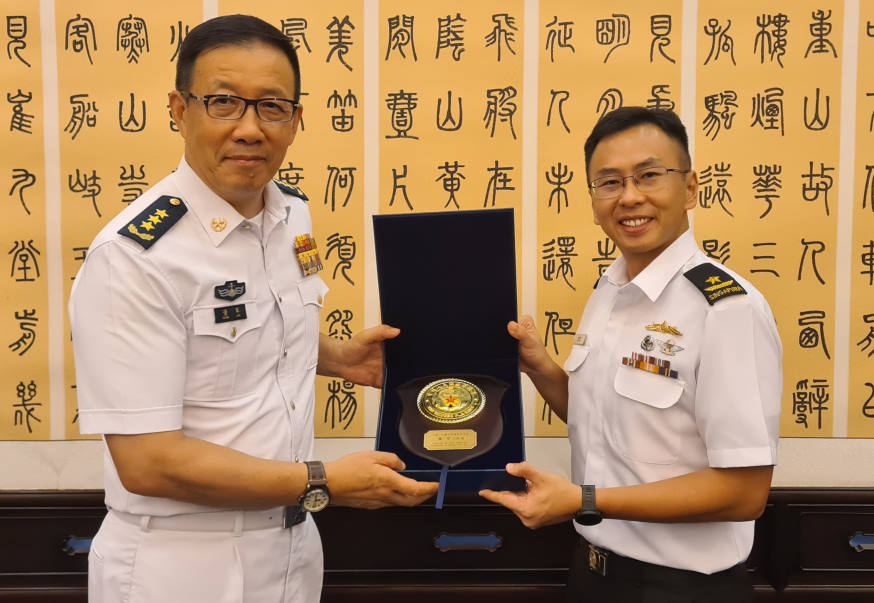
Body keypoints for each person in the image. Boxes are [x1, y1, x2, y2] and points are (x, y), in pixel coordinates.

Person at [69, 14, 437, 603]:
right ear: (177, 110)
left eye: (272, 107)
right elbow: (147, 461)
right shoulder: (136, 258)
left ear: (297, 120)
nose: (249, 129)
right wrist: (323, 481)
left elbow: (252, 333)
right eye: (222, 103)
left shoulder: (290, 214)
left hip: (290, 546)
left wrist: (338, 358)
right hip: (180, 562)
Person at [480, 107, 782, 602]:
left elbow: (746, 492)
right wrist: (538, 366)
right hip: (592, 573)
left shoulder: (727, 308)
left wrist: (584, 500)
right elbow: (599, 421)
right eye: (609, 182)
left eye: (648, 175)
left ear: (690, 188)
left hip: (680, 588)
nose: (630, 197)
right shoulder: (611, 289)